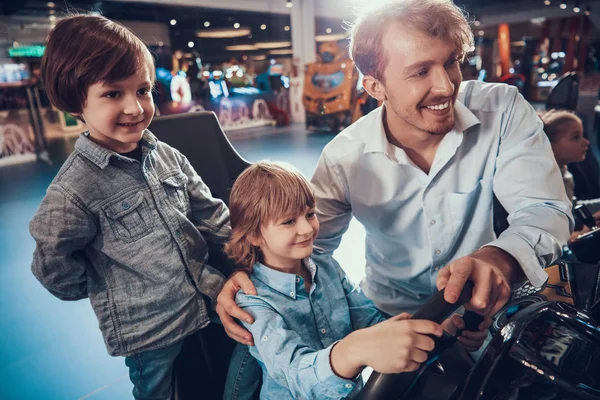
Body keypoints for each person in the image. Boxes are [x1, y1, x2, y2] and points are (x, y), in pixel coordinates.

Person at [216, 0, 572, 349]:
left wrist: (501, 258)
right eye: (420, 72)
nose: (447, 87)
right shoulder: (344, 157)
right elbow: (305, 247)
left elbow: (544, 209)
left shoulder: (503, 109)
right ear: (375, 87)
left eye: (451, 62)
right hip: (386, 319)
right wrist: (250, 281)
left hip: (480, 312)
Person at [29, 15, 231, 400]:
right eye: (113, 94)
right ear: (76, 100)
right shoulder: (75, 189)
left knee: (216, 376)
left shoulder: (166, 155)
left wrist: (249, 251)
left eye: (143, 90)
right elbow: (52, 263)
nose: (135, 107)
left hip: (206, 297)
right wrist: (109, 287)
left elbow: (208, 211)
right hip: (148, 331)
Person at [222, 161, 490, 399]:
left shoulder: (326, 266)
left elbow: (370, 320)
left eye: (310, 214)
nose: (306, 229)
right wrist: (352, 351)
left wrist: (435, 331)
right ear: (254, 236)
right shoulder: (252, 302)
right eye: (289, 221)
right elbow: (295, 373)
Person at [539, 109, 600, 239]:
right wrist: (579, 235)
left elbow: (572, 206)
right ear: (551, 148)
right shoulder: (543, 182)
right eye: (576, 137)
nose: (586, 142)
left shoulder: (564, 173)